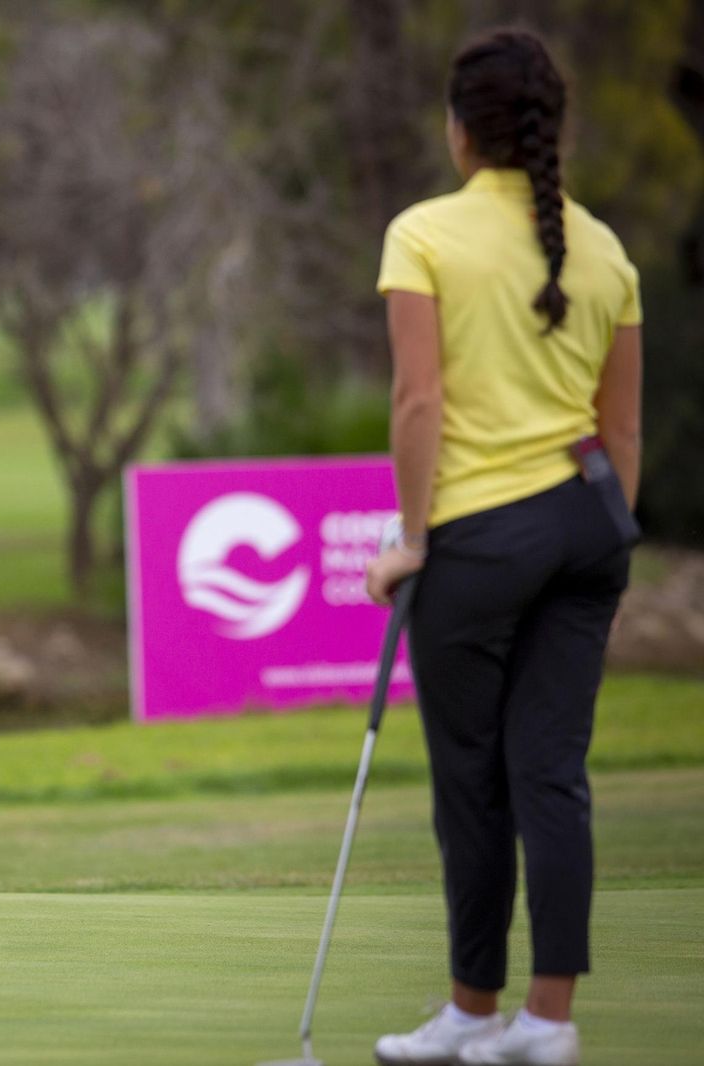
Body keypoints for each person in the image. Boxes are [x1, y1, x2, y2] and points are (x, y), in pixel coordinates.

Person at [364, 27, 642, 1066]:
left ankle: (473, 1009)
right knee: (552, 774)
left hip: (480, 537)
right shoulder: (605, 249)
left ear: (458, 130)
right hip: (585, 528)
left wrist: (411, 540)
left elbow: (418, 399)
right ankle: (547, 1021)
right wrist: (604, 545)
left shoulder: (424, 235)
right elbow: (621, 438)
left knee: (472, 780)